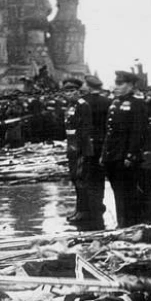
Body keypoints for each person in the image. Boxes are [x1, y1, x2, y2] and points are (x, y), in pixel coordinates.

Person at [101, 71, 148, 228]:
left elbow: (138, 132)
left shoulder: (137, 104)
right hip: (113, 156)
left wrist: (131, 155)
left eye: (120, 84)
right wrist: (104, 154)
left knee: (127, 193)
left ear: (131, 85)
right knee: (118, 192)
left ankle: (129, 225)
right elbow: (109, 132)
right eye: (116, 83)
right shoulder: (115, 103)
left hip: (124, 157)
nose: (116, 87)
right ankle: (122, 223)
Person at [61, 79, 96, 228]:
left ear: (78, 91)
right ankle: (79, 209)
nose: (69, 94)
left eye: (72, 91)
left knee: (81, 179)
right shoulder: (71, 106)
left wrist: (78, 145)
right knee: (75, 178)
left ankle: (84, 211)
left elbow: (85, 128)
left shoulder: (83, 106)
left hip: (81, 148)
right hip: (72, 146)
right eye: (66, 91)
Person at [82, 75, 112, 227]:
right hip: (102, 144)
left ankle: (91, 207)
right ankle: (99, 204)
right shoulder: (107, 102)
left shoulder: (82, 102)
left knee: (88, 176)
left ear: (87, 86)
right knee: (99, 176)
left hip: (87, 144)